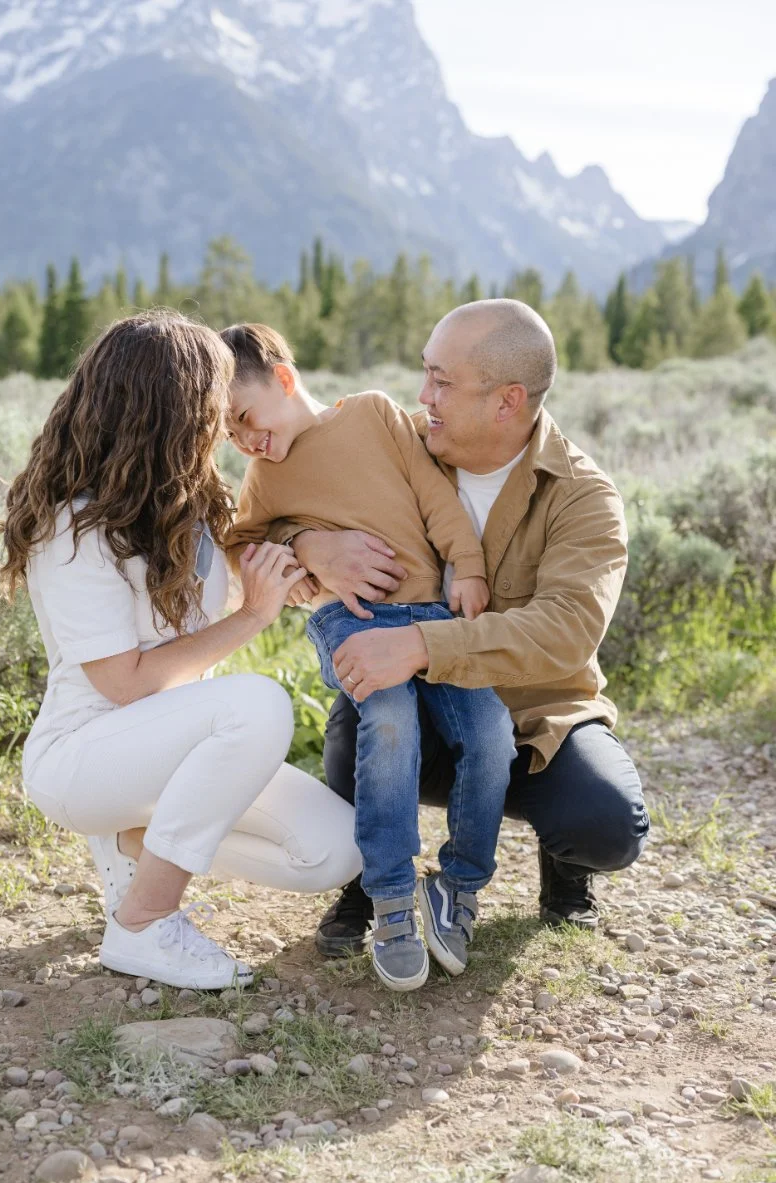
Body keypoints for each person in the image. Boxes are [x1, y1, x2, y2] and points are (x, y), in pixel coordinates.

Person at [0, 312, 362, 991]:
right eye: (213, 405)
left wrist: (303, 560)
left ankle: (138, 840)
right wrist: (253, 617)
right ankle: (144, 921)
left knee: (337, 851)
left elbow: (247, 561)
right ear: (170, 411)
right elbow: (124, 683)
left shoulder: (185, 503)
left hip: (177, 749)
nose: (225, 423)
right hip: (85, 755)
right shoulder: (72, 529)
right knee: (257, 704)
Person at [273, 300, 649, 956]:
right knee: (357, 733)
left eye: (442, 382)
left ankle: (564, 872)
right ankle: (369, 883)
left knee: (606, 823)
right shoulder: (390, 445)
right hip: (419, 707)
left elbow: (565, 632)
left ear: (507, 401)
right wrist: (309, 545)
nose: (423, 396)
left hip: (538, 719)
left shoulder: (585, 497)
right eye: (425, 375)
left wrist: (420, 643)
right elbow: (275, 501)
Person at [221, 322, 516, 991]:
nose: (244, 440)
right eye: (228, 434)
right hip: (349, 622)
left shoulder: (377, 415)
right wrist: (300, 548)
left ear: (285, 378)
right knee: (388, 725)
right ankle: (388, 900)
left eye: (245, 417)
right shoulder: (263, 479)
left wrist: (466, 563)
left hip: (433, 619)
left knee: (492, 733)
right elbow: (240, 544)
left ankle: (460, 886)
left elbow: (435, 494)